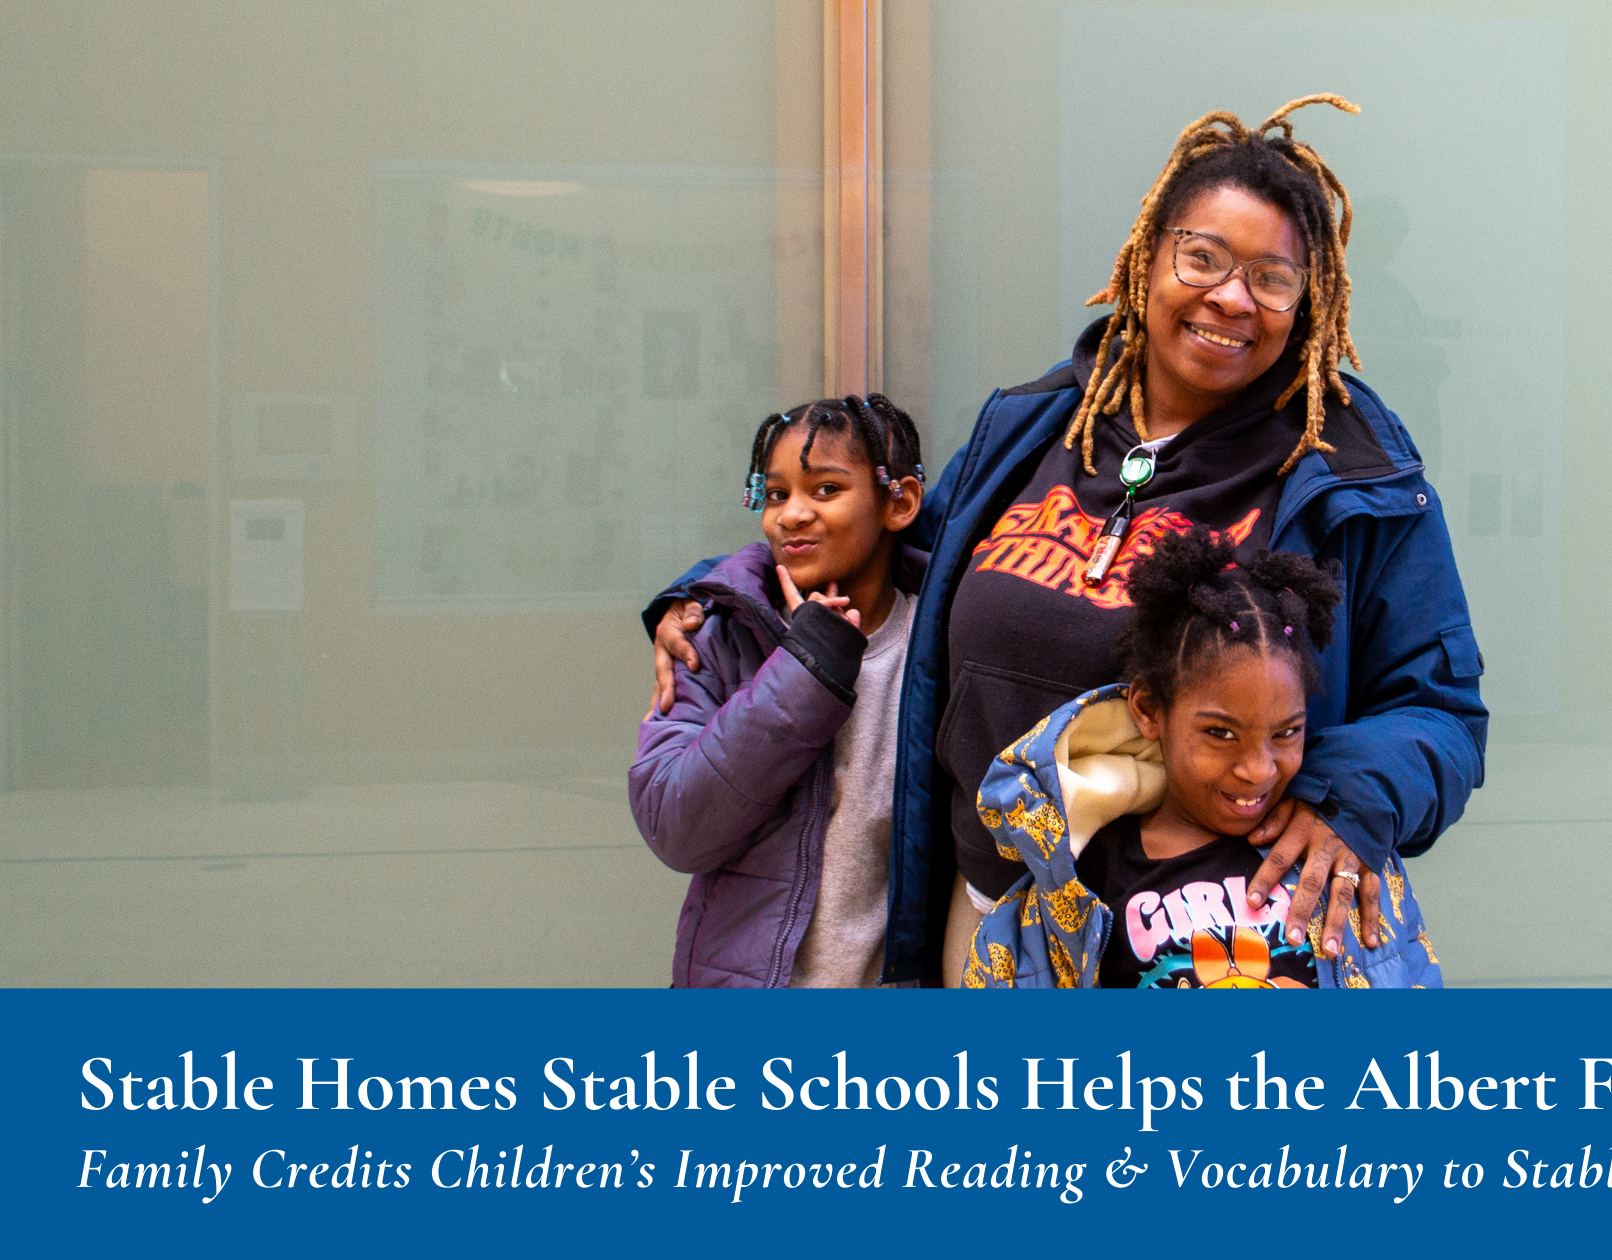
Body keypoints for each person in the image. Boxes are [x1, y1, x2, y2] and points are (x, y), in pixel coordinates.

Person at [645, 96, 1487, 987]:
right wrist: (717, 593)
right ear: (1145, 260)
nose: (1231, 297)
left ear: (1307, 302)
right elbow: (880, 554)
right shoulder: (1034, 428)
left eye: (1272, 278)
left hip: (1198, 953)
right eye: (1201, 257)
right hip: (991, 923)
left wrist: (1347, 797)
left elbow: (1441, 710)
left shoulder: (1351, 478)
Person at [963, 527, 1439, 988]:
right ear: (1150, 711)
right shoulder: (1084, 877)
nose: (1258, 769)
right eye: (1220, 733)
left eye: (1287, 732)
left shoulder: (1337, 849)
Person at [630, 395, 925, 987]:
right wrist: (805, 667)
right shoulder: (715, 634)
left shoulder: (939, 638)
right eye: (775, 494)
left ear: (900, 501)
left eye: (825, 490)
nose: (790, 515)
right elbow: (674, 825)